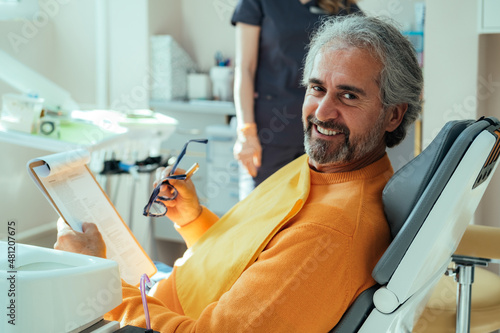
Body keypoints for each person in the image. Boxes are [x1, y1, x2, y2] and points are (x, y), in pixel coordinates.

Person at [55, 15, 423, 332]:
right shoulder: (322, 169)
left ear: (393, 115)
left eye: (348, 96)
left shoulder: (330, 232)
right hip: (161, 298)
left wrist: (92, 277)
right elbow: (252, 261)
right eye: (317, 88)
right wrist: (194, 219)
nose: (322, 113)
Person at [232, 0, 361, 199]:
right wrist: (245, 131)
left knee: (314, 218)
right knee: (258, 216)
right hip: (269, 135)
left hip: (325, 132)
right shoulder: (257, 3)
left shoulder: (342, 7)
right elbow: (245, 69)